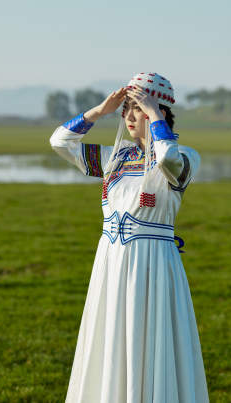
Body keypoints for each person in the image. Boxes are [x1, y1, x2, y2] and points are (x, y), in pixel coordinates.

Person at [50, 72, 209, 403]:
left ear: (159, 111)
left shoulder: (185, 157)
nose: (130, 116)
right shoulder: (116, 158)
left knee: (149, 338)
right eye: (127, 110)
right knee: (110, 337)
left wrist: (153, 114)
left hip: (153, 266)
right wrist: (99, 111)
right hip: (111, 264)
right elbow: (60, 142)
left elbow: (166, 159)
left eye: (137, 108)